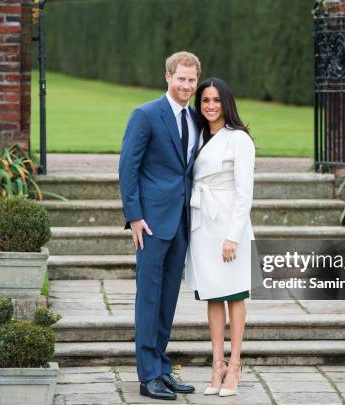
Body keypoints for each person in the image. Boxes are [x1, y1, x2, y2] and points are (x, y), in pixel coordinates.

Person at [118, 51, 201, 401]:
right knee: (149, 297)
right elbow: (127, 167)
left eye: (191, 80)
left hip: (182, 221)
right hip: (150, 224)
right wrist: (134, 215)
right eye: (180, 78)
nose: (186, 85)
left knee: (167, 298)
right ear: (167, 76)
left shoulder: (196, 119)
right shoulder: (146, 114)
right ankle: (147, 375)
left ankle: (162, 368)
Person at [186, 78, 255, 397]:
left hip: (229, 223)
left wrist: (233, 237)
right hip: (203, 224)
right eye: (205, 100)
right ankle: (217, 365)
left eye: (216, 100)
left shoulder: (238, 139)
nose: (210, 106)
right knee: (213, 295)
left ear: (226, 103)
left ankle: (236, 365)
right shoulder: (197, 136)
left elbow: (244, 193)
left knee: (235, 295)